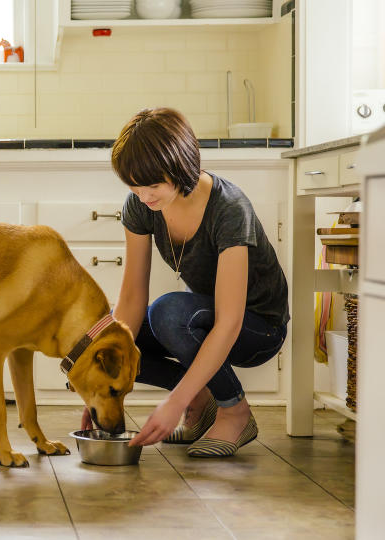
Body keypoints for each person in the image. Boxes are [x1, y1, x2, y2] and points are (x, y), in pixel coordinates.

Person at [81, 107, 289, 457]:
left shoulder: (229, 208)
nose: (144, 196)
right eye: (134, 185)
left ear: (180, 167)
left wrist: (173, 404)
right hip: (203, 321)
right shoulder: (141, 205)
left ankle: (235, 411)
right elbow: (131, 298)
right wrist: (100, 386)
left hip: (257, 330)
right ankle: (200, 399)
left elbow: (230, 322)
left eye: (153, 185)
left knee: (168, 312)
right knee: (112, 338)